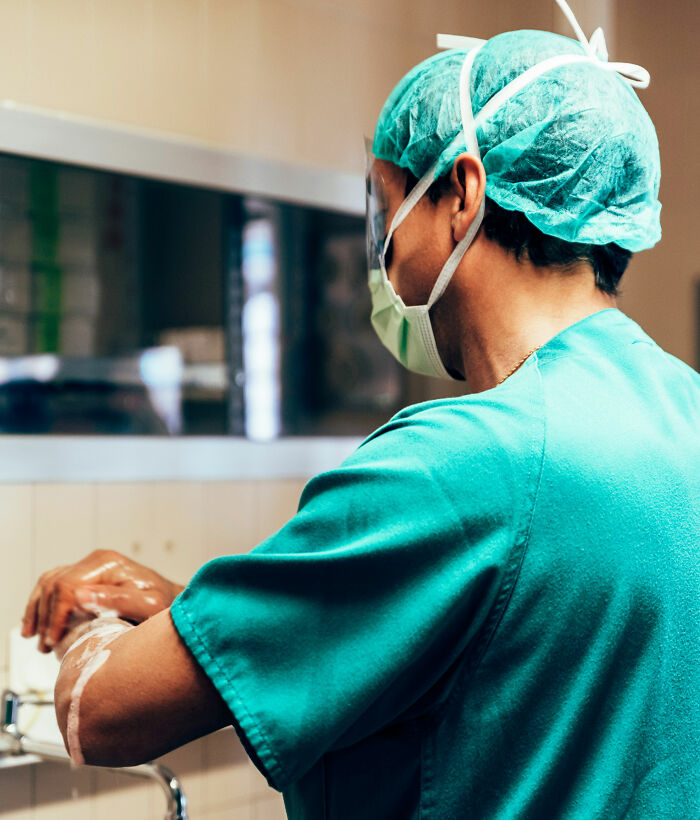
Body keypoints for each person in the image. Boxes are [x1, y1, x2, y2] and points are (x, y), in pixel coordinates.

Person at [21, 1, 699, 817]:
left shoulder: (459, 465)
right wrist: (190, 612)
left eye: (387, 213)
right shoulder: (680, 417)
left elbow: (102, 715)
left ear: (462, 194)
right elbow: (500, 644)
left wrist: (92, 630)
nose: (384, 259)